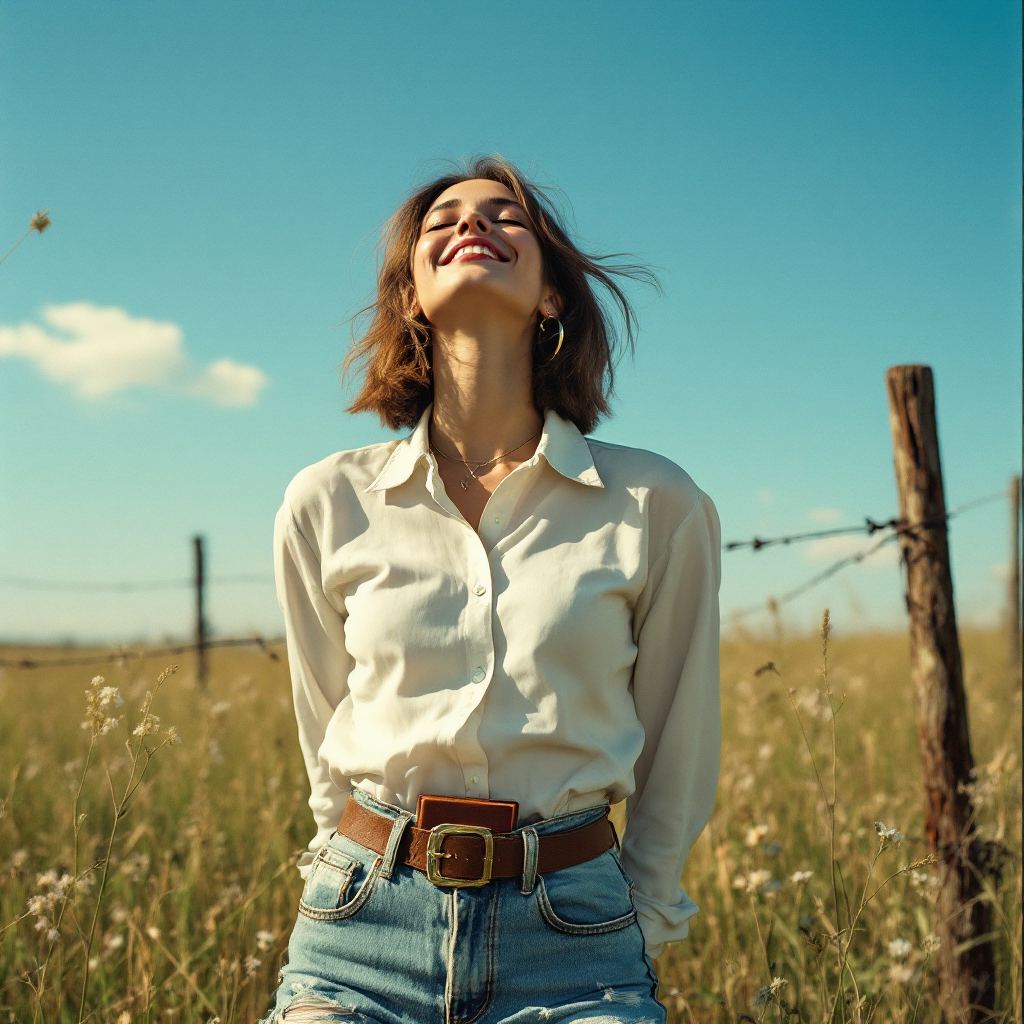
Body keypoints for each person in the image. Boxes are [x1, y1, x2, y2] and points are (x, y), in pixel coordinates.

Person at [264, 156, 721, 1024]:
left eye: (505, 217)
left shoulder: (656, 502)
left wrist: (642, 912)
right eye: (443, 222)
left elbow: (679, 733)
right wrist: (343, 857)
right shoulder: (326, 500)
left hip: (574, 940)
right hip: (359, 932)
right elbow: (323, 724)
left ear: (552, 294)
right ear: (410, 297)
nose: (472, 225)